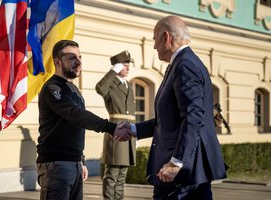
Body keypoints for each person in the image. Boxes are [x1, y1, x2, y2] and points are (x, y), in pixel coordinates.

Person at [119, 15, 227, 199]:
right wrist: (134, 129)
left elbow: (193, 117)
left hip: (181, 174)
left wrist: (177, 162)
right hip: (188, 171)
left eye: (155, 39)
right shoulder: (184, 62)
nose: (154, 46)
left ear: (167, 37)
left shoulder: (184, 65)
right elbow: (171, 119)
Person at [36, 40, 132, 200]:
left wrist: (80, 160)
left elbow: (75, 127)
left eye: (80, 57)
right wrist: (111, 127)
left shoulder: (73, 89)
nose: (79, 61)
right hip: (56, 165)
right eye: (72, 57)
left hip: (73, 163)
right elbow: (76, 114)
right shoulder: (53, 88)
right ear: (57, 62)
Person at [95, 50, 136, 200]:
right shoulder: (110, 84)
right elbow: (100, 88)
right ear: (117, 67)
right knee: (112, 173)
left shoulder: (128, 85)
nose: (127, 67)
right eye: (124, 65)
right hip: (116, 130)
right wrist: (112, 71)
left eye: (128, 65)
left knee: (122, 174)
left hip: (129, 130)